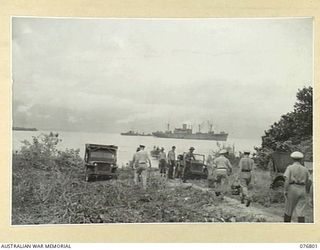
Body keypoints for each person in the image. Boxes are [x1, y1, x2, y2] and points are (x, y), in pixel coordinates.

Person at [283, 151, 309, 223]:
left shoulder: (290, 168)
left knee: (288, 209)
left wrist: (285, 190)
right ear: (301, 159)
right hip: (302, 188)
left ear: (292, 159)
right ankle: (301, 227)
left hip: (293, 188)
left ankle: (286, 226)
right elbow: (308, 181)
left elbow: (287, 180)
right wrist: (306, 191)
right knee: (301, 210)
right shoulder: (305, 169)